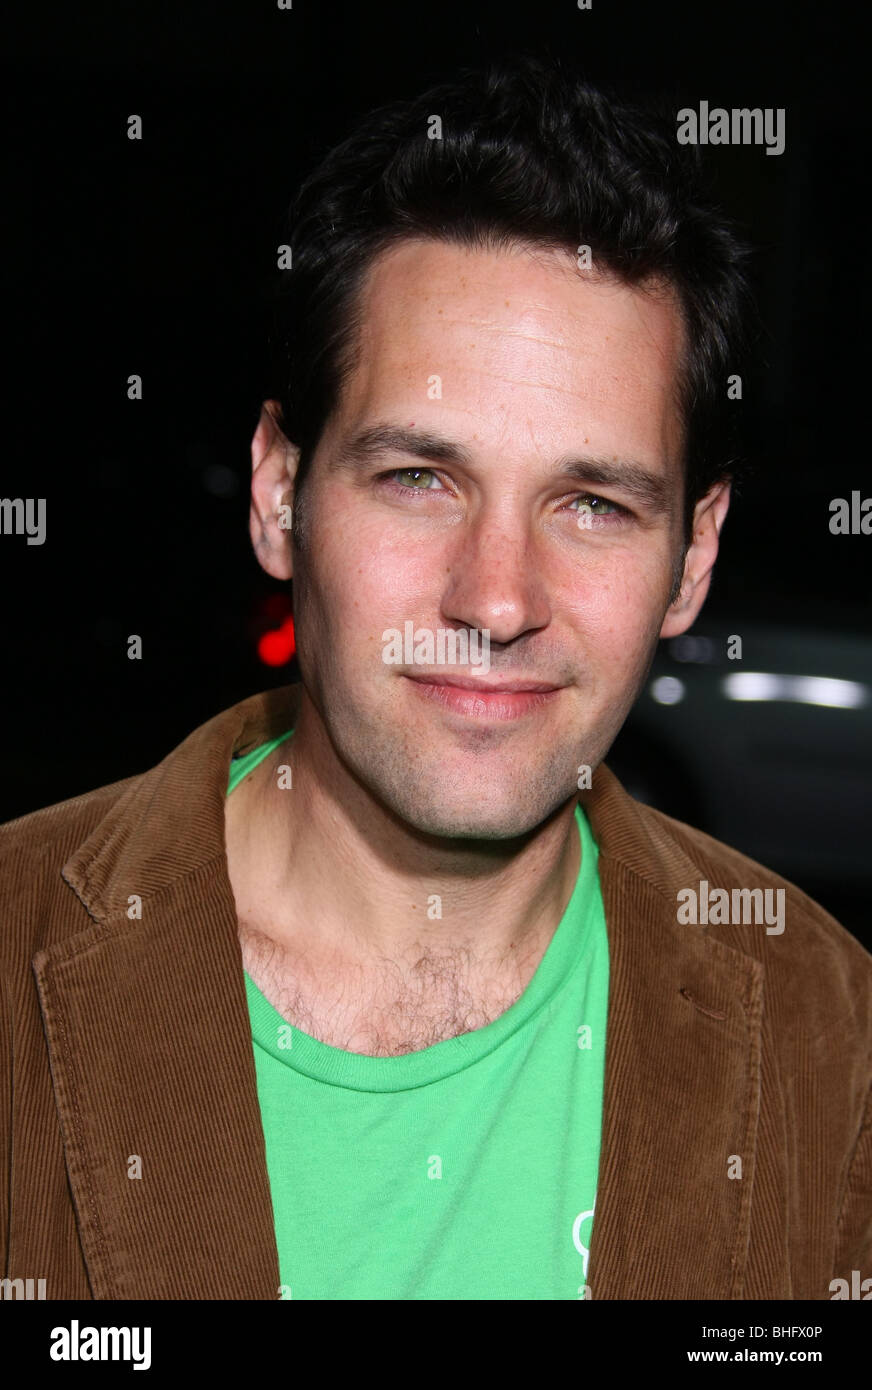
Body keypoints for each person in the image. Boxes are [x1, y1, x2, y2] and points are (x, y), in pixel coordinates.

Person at [1, 54, 870, 1302]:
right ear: (278, 493)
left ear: (693, 559)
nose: (498, 598)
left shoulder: (829, 1039)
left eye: (591, 504)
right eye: (420, 479)